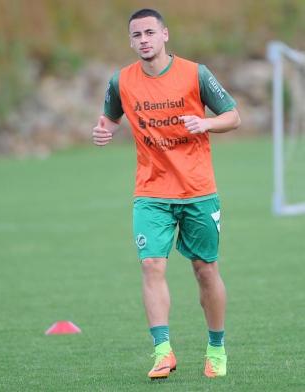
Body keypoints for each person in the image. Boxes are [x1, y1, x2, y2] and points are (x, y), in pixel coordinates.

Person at [92, 8, 240, 380]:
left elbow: (233, 116)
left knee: (205, 270)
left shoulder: (196, 73)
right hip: (151, 190)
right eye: (136, 35)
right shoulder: (121, 81)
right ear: (130, 41)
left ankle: (216, 349)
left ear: (165, 35)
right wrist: (103, 131)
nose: (143, 40)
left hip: (197, 189)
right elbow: (108, 118)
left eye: (149, 33)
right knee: (150, 265)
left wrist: (205, 122)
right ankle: (163, 352)